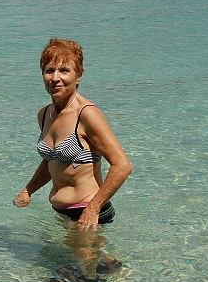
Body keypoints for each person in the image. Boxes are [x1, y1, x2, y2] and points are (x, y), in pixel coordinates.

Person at [14, 38, 133, 231]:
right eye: (49, 70)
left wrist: (93, 209)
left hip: (87, 212)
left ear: (78, 76)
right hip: (61, 213)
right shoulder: (44, 115)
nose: (55, 78)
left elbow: (122, 165)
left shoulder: (87, 113)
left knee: (81, 255)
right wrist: (28, 190)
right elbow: (52, 161)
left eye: (64, 70)